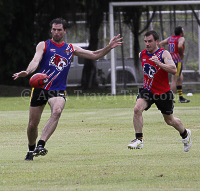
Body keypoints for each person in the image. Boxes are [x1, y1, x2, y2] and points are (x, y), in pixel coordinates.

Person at [13, 18, 123, 161]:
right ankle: (31, 148)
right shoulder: (44, 45)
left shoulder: (71, 48)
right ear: (51, 30)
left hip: (58, 89)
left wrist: (108, 47)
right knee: (32, 124)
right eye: (54, 29)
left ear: (64, 31)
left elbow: (95, 55)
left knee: (57, 111)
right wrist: (27, 72)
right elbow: (35, 61)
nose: (56, 32)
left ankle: (41, 144)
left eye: (59, 30)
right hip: (40, 88)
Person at [127, 30, 191, 152]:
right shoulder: (142, 54)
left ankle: (185, 134)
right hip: (147, 91)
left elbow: (173, 69)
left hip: (163, 93)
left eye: (150, 41)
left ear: (156, 41)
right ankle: (139, 140)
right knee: (137, 109)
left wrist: (159, 63)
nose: (147, 44)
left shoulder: (163, 53)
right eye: (145, 41)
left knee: (170, 121)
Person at [159, 26, 190, 103]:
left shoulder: (170, 38)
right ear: (180, 32)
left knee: (180, 77)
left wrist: (163, 53)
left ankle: (181, 98)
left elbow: (161, 43)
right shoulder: (181, 38)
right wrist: (181, 53)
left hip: (171, 60)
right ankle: (170, 98)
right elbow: (179, 45)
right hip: (177, 61)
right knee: (174, 80)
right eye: (182, 30)